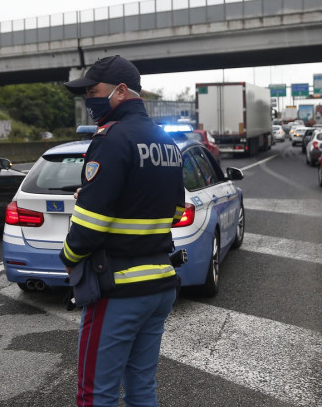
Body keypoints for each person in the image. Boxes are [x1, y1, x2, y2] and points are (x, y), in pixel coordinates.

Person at [60, 55, 185, 407]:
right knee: (142, 388)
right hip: (160, 283)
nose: (88, 100)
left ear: (119, 91)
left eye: (93, 91)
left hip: (118, 288)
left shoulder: (111, 140)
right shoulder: (167, 143)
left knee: (95, 394)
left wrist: (68, 258)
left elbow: (89, 225)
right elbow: (175, 211)